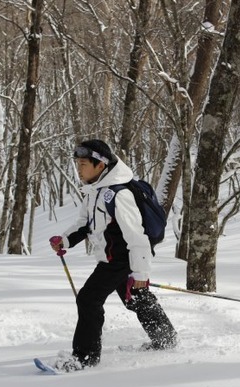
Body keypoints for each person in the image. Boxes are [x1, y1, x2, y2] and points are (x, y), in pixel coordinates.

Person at [49, 139, 178, 371]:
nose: (79, 169)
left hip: (120, 260)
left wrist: (140, 273)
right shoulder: (95, 190)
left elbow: (137, 237)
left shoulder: (118, 194)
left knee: (88, 299)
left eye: (83, 164)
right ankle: (165, 337)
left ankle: (84, 357)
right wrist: (66, 240)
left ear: (100, 165)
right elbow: (85, 224)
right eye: (77, 164)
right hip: (114, 259)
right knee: (136, 299)